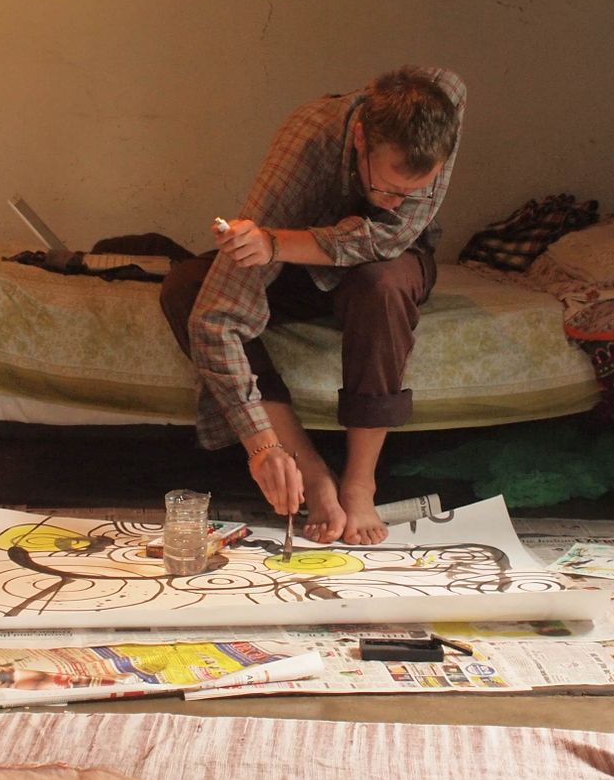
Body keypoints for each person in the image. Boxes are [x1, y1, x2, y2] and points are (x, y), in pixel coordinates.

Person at [160, 65, 465, 545]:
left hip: (390, 261)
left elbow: (390, 234)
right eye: (385, 187)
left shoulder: (445, 104)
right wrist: (262, 446)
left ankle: (360, 483)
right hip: (302, 262)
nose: (394, 202)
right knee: (186, 286)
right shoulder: (305, 147)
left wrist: (276, 243)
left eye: (412, 192)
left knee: (381, 284)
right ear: (361, 138)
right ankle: (310, 467)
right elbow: (217, 315)